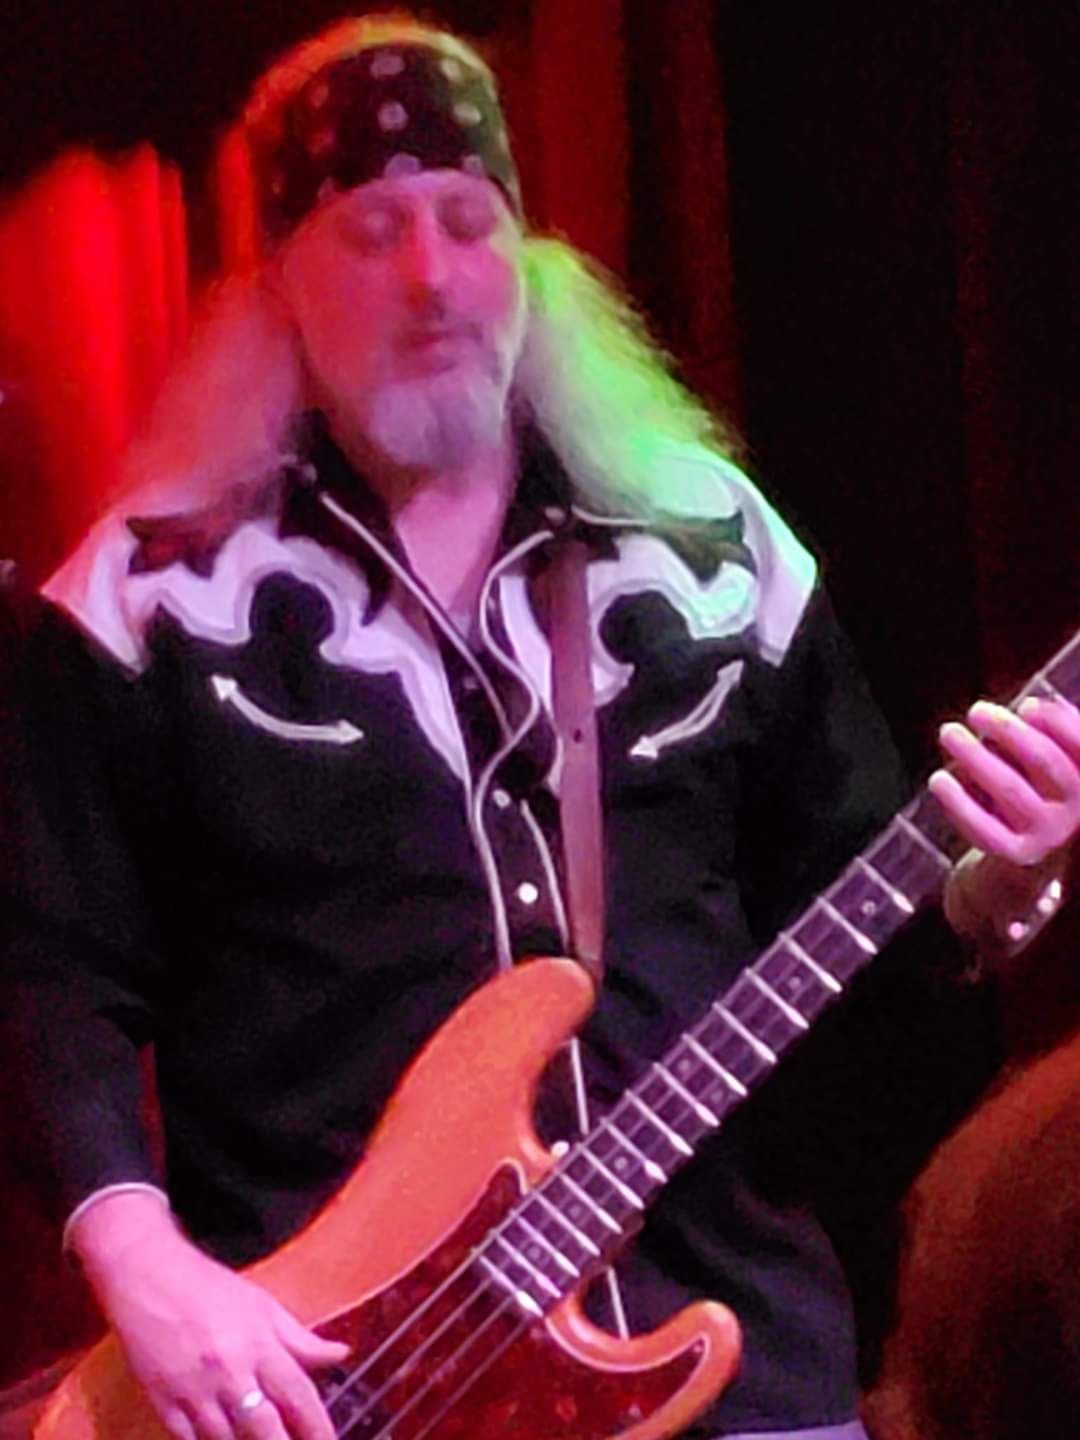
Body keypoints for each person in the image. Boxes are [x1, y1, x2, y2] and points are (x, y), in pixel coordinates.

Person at [1, 14, 1077, 1440]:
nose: (432, 277)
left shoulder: (714, 551)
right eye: (371, 232)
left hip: (739, 1367)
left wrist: (998, 887)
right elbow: (45, 967)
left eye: (470, 222)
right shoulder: (148, 602)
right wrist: (143, 1262)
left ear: (533, 258)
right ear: (276, 287)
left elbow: (861, 965)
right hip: (342, 1385)